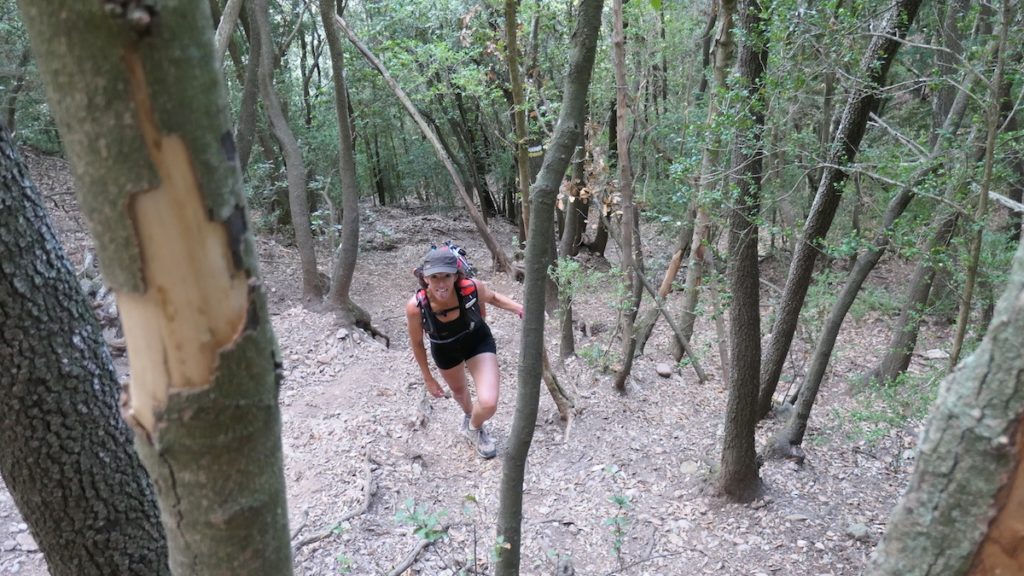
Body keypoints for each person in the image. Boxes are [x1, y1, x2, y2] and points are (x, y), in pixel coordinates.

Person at [406, 245, 523, 459]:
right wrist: (428, 379)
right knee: (460, 393)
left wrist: (520, 309)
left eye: (446, 276)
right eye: (434, 277)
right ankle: (469, 414)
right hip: (444, 348)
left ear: (456, 276)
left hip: (476, 340)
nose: (441, 284)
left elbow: (494, 298)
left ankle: (473, 427)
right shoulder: (416, 306)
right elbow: (417, 344)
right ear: (425, 278)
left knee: (488, 402)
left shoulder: (471, 287)